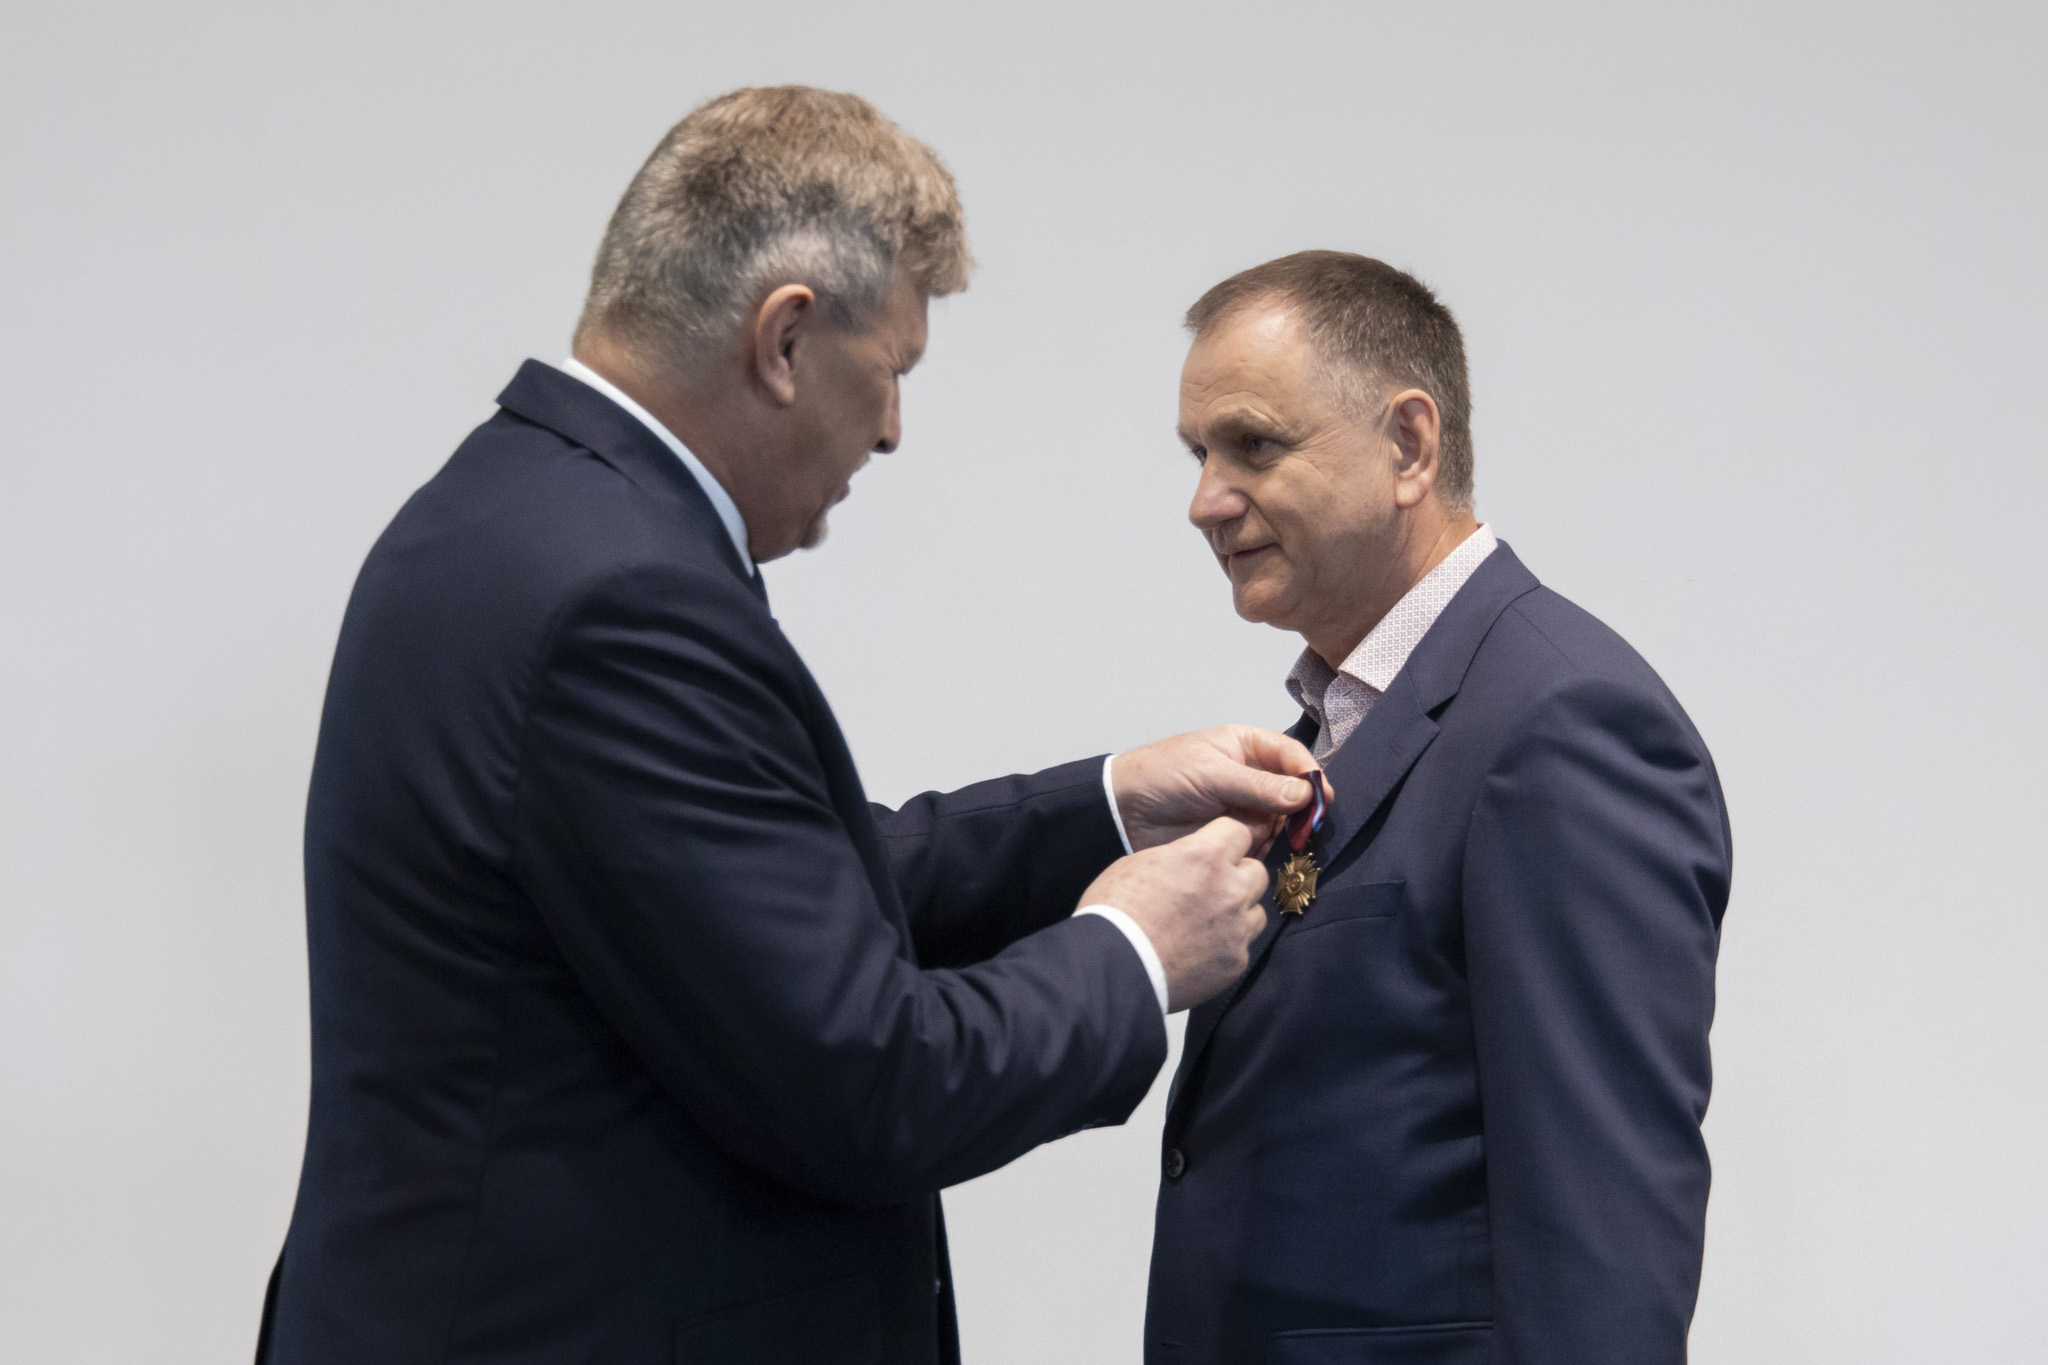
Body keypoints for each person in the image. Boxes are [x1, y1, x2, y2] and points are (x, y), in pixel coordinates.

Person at [257, 88, 1322, 1365]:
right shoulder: (619, 595)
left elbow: (760, 893)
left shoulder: (511, 512)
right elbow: (871, 1082)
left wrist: (1104, 804)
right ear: (784, 340)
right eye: (892, 372)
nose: (890, 430)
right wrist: (1133, 951)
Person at [1146, 251, 1732, 1365]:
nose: (1204, 501)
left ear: (1409, 447)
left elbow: (1601, 1245)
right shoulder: (1337, 724)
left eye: (1253, 446)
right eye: (1197, 454)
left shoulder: (1563, 723)